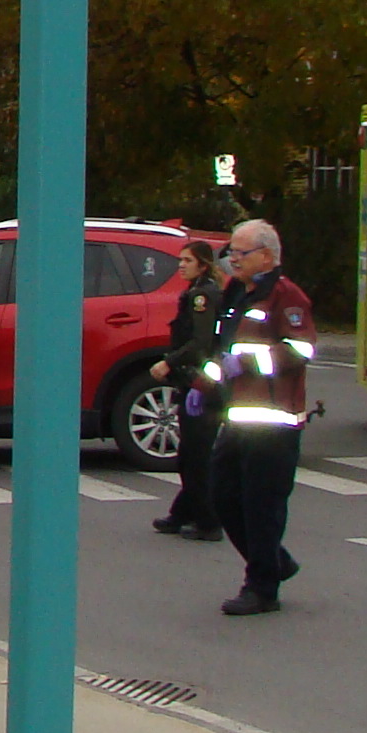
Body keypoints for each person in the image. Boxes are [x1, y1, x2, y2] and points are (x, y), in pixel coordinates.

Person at [202, 218, 314, 616]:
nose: (233, 259)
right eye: (231, 252)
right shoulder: (236, 293)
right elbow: (222, 348)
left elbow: (301, 351)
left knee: (261, 506)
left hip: (274, 421)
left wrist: (246, 363)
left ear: (267, 256)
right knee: (222, 496)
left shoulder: (286, 296)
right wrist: (206, 383)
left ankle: (262, 588)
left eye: (240, 252)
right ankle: (274, 562)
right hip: (238, 419)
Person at [148, 237, 230, 541]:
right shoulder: (197, 292)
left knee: (196, 454)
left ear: (203, 264)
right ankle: (182, 513)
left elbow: (200, 342)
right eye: (181, 260)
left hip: (202, 383)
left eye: (187, 261)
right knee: (190, 453)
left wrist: (168, 362)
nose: (181, 265)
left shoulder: (202, 296)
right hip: (194, 381)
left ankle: (208, 521)